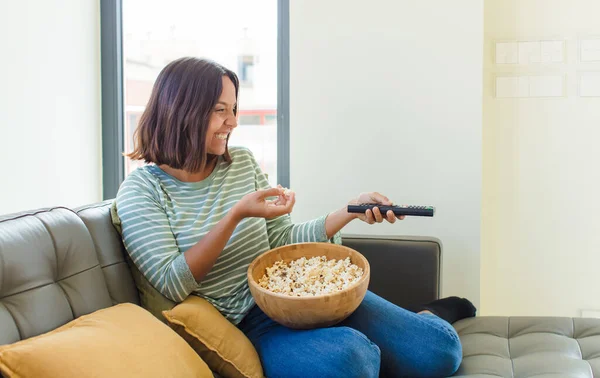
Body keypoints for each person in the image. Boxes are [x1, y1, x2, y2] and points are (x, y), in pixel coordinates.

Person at [112, 57, 476, 378]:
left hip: (306, 293)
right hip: (254, 324)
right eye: (220, 110)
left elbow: (283, 243)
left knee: (440, 353)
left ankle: (424, 316)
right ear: (183, 110)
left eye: (235, 109)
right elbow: (172, 284)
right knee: (353, 360)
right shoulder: (142, 190)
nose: (233, 122)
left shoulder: (240, 163)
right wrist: (236, 215)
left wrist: (349, 211)